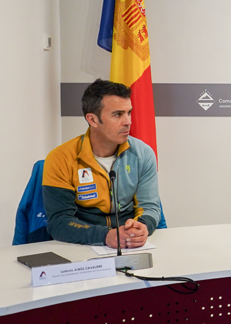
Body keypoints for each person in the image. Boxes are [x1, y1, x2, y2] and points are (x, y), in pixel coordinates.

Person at [43, 79, 161, 247]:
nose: (128, 121)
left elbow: (150, 207)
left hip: (130, 242)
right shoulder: (60, 158)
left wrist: (142, 226)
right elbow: (60, 222)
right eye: (118, 114)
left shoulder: (143, 154)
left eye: (129, 112)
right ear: (92, 120)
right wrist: (105, 236)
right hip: (82, 244)